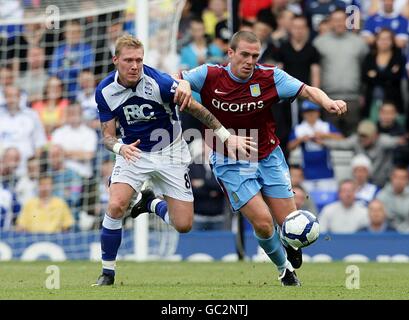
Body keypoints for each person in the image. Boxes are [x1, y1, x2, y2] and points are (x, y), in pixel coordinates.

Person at [167, 30, 346, 286]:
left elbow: (307, 90)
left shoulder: (270, 77)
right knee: (263, 224)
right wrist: (183, 82)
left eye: (254, 55)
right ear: (230, 54)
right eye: (244, 55)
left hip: (268, 155)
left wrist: (328, 101)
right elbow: (178, 79)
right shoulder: (209, 74)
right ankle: (284, 270)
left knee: (288, 222)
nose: (250, 61)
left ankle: (288, 239)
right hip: (229, 160)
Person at [93, 35, 254, 286]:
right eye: (128, 60)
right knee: (116, 205)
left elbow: (198, 110)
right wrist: (119, 147)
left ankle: (151, 204)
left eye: (139, 60)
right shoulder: (105, 91)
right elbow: (107, 136)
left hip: (171, 152)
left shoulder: (160, 83)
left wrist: (226, 136)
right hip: (134, 153)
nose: (135, 66)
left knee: (183, 225)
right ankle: (107, 273)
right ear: (116, 60)